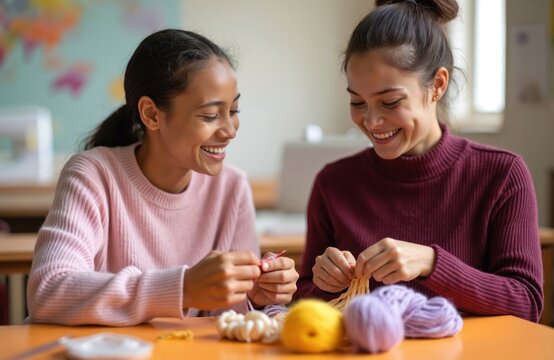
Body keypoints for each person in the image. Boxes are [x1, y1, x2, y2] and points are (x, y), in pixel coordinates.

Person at [27, 29, 298, 326]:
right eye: (210, 115)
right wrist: (181, 289)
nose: (230, 130)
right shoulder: (92, 175)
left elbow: (227, 318)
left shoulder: (231, 187)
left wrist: (257, 298)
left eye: (233, 110)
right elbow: (48, 290)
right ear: (152, 114)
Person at [294, 0, 544, 322]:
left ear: (437, 85)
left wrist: (431, 263)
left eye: (390, 102)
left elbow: (526, 303)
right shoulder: (333, 182)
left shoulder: (501, 174)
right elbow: (302, 304)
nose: (371, 121)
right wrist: (325, 285)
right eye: (357, 101)